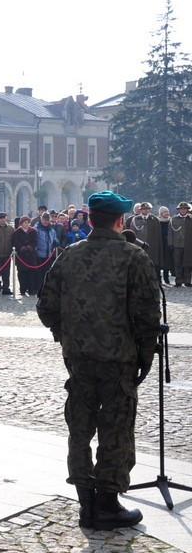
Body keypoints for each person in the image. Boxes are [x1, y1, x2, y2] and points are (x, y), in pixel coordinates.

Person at [36, 191, 160, 530]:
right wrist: (145, 359)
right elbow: (148, 316)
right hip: (118, 359)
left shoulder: (69, 256)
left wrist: (68, 336)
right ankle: (107, 503)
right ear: (120, 220)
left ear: (91, 220)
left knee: (79, 427)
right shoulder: (134, 257)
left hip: (78, 359)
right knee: (116, 428)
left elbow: (46, 308)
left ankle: (86, 504)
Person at [12, 215, 38, 296]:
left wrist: (30, 247)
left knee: (31, 273)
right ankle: (22, 289)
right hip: (21, 255)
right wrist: (22, 247)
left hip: (31, 255)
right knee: (22, 273)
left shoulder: (33, 231)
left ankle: (31, 289)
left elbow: (35, 241)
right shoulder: (17, 232)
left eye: (28, 222)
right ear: (21, 223)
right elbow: (15, 242)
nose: (27, 224)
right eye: (25, 223)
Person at [174, 201, 192, 286]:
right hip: (177, 245)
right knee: (178, 263)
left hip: (188, 244)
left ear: (188, 210)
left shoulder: (190, 219)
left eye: (185, 209)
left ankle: (188, 280)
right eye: (182, 209)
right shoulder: (174, 219)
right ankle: (178, 280)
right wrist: (171, 243)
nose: (183, 210)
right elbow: (170, 232)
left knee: (188, 263)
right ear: (179, 210)